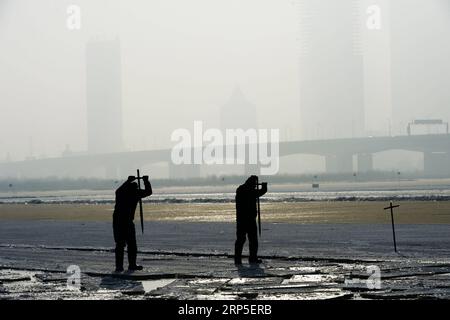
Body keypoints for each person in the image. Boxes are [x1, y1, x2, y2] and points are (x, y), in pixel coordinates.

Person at [113, 175, 152, 272]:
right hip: (119, 221)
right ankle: (119, 266)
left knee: (131, 244)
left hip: (128, 221)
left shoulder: (135, 193)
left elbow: (148, 192)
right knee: (121, 244)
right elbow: (118, 191)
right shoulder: (123, 193)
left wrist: (146, 181)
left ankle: (132, 265)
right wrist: (144, 181)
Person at [234, 175, 267, 265]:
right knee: (243, 239)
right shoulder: (245, 190)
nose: (255, 186)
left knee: (251, 240)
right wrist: (264, 187)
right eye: (255, 184)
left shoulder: (243, 189)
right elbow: (259, 192)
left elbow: (258, 192)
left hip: (247, 219)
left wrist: (263, 188)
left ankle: (250, 258)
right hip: (245, 219)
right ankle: (244, 258)